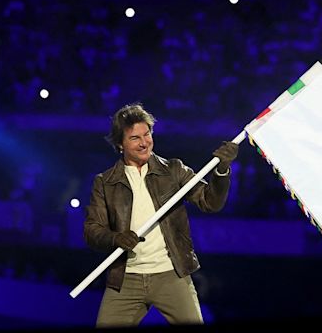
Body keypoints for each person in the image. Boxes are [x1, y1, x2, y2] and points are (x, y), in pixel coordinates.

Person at [84, 103, 238, 327]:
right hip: (126, 278)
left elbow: (210, 202)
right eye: (135, 138)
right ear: (120, 144)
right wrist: (116, 238)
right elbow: (92, 231)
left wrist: (222, 171)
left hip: (171, 274)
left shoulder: (173, 170)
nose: (144, 142)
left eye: (147, 134)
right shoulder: (105, 182)